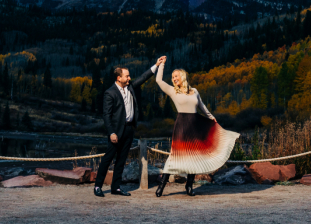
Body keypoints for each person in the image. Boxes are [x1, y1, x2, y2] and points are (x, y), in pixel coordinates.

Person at [154, 57, 239, 197]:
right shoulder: (172, 91)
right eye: (172, 77)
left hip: (196, 124)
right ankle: (161, 186)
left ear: (182, 76)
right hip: (182, 126)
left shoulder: (194, 91)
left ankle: (189, 186)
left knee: (194, 156)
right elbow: (158, 81)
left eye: (176, 76)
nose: (174, 79)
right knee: (174, 156)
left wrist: (211, 117)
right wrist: (162, 64)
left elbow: (202, 106)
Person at [93, 57, 164, 197]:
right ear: (119, 78)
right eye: (127, 76)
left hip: (129, 130)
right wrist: (111, 132)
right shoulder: (110, 92)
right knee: (108, 159)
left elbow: (144, 77)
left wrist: (156, 64)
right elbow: (106, 115)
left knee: (121, 160)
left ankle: (116, 188)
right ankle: (97, 186)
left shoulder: (130, 87)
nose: (130, 78)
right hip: (116, 132)